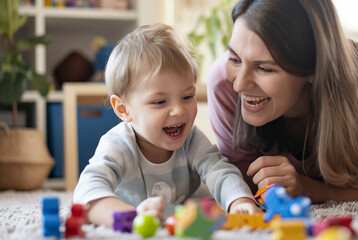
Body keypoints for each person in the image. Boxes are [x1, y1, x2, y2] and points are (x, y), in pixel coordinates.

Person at [207, 0, 358, 203]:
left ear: (314, 67)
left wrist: (306, 187)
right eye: (235, 59)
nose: (239, 85)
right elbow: (247, 191)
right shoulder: (223, 83)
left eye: (265, 68)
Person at [73, 23, 260, 227]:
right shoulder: (117, 145)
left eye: (187, 97)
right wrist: (131, 217)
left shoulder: (191, 140)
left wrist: (239, 200)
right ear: (123, 109)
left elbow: (219, 171)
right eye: (160, 102)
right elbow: (87, 192)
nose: (179, 110)